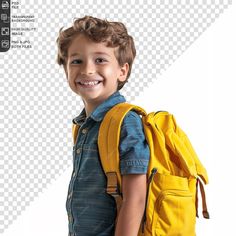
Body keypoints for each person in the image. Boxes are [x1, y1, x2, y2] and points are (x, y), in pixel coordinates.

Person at [56, 15, 150, 236]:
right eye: (76, 61)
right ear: (66, 70)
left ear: (122, 71)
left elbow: (136, 199)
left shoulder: (125, 121)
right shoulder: (85, 126)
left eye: (100, 60)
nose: (88, 70)